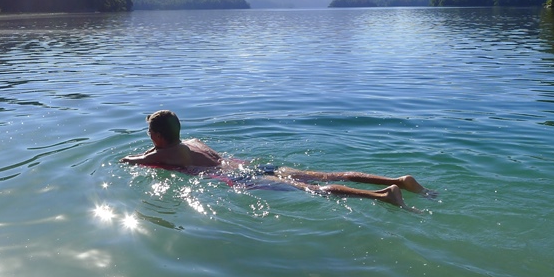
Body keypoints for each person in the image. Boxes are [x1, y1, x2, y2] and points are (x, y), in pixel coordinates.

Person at [120, 110, 435, 209]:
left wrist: (138, 155)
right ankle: (398, 180)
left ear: (157, 137)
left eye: (150, 133)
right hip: (250, 166)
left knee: (313, 190)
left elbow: (132, 160)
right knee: (327, 175)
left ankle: (383, 195)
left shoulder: (168, 151)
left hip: (244, 179)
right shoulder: (193, 140)